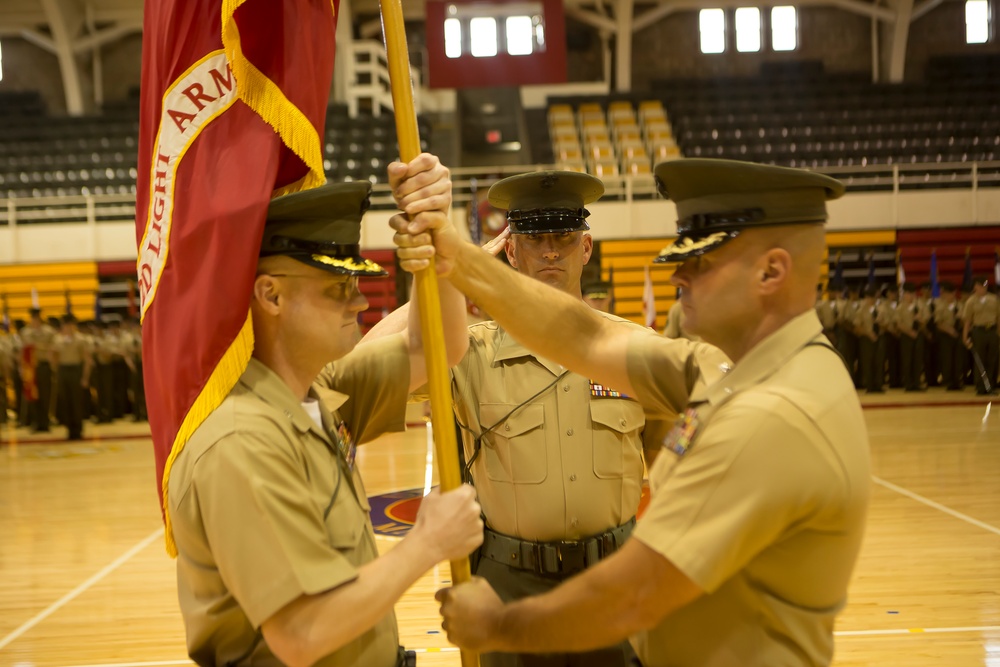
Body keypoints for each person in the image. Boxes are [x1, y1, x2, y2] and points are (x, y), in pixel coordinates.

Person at [393, 157, 870, 667]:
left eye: (702, 260)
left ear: (771, 271)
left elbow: (635, 593)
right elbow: (586, 335)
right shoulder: (728, 368)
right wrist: (451, 251)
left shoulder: (773, 413)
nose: (678, 273)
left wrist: (497, 624)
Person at [369, 170, 712, 667]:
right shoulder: (470, 351)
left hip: (614, 580)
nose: (551, 251)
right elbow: (370, 363)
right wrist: (467, 262)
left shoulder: (634, 350)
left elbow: (663, 450)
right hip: (508, 585)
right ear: (511, 251)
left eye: (564, 238)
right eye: (534, 240)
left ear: (586, 247)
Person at [167, 157, 483, 667]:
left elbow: (440, 345)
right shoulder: (242, 441)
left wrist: (439, 237)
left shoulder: (317, 392)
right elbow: (301, 632)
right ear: (270, 294)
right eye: (338, 287)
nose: (358, 303)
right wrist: (426, 543)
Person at [53, 313, 92, 441]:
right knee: (65, 401)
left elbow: (87, 360)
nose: (67, 327)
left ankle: (78, 430)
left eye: (70, 324)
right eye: (65, 325)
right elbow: (53, 357)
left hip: (75, 370)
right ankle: (69, 429)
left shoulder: (81, 339)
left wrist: (85, 377)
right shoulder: (57, 339)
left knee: (76, 402)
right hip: (63, 370)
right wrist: (55, 372)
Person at [962, 275, 999, 394]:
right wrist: (965, 336)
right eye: (979, 286)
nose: (982, 288)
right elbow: (967, 321)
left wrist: (998, 332)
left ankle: (990, 386)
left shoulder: (994, 299)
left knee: (992, 360)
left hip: (992, 331)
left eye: (984, 286)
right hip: (979, 331)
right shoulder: (971, 301)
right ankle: (980, 386)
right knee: (980, 360)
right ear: (975, 287)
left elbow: (998, 317)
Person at [20, 307, 56, 432]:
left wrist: (38, 347)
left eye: (36, 317)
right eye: (32, 317)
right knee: (33, 396)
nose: (34, 320)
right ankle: (35, 422)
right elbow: (23, 351)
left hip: (44, 365)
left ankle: (45, 422)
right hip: (31, 368)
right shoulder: (25, 332)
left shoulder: (49, 332)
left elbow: (52, 349)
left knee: (46, 395)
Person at [934, 281, 965, 391]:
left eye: (948, 293)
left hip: (958, 334)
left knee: (958, 359)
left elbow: (965, 321)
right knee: (947, 359)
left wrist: (961, 319)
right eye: (944, 294)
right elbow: (938, 323)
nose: (946, 296)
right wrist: (949, 330)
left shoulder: (960, 305)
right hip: (946, 336)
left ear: (953, 293)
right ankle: (949, 381)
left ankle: (957, 380)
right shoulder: (940, 306)